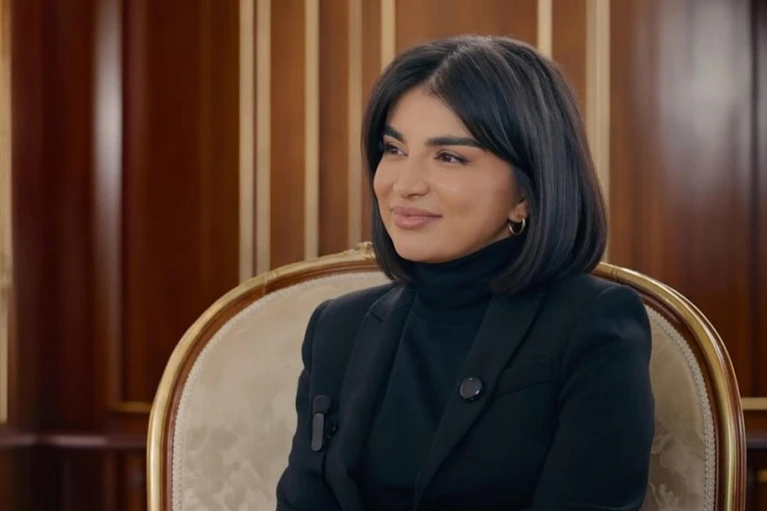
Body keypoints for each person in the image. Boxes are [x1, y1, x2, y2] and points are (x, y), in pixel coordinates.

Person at [276, 35, 654, 511]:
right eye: (394, 149)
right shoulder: (337, 327)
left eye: (449, 157)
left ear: (526, 193)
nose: (404, 185)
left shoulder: (593, 325)